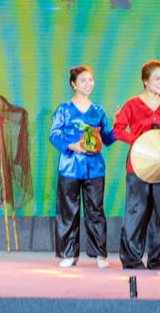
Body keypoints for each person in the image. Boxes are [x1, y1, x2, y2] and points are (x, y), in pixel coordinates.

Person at [113, 60, 160, 270]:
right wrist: (138, 141)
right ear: (145, 80)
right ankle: (131, 259)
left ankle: (158, 259)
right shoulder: (132, 104)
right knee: (136, 212)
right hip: (138, 166)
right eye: (156, 78)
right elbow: (118, 130)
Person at [48, 65, 116, 268]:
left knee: (96, 210)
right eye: (83, 80)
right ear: (73, 84)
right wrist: (72, 146)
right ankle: (69, 254)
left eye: (90, 80)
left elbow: (107, 138)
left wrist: (118, 126)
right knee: (68, 211)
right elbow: (54, 135)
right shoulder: (64, 110)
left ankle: (100, 254)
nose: (88, 84)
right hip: (69, 167)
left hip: (94, 168)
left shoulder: (98, 111)